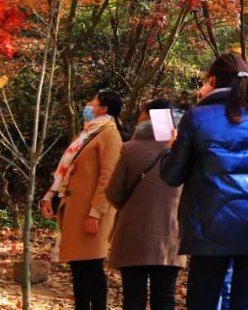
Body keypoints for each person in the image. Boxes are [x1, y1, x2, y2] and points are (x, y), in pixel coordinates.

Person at [160, 53, 248, 310]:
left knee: (202, 302)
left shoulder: (196, 118)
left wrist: (172, 149)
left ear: (213, 80)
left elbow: (172, 176)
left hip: (210, 225)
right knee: (246, 303)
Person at [40, 90, 124, 310]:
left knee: (92, 268)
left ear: (103, 108)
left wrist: (95, 212)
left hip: (92, 212)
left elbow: (108, 177)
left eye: (92, 102)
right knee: (78, 268)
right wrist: (51, 195)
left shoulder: (110, 135)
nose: (87, 105)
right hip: (75, 209)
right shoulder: (87, 133)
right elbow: (66, 170)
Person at [106, 98, 185, 310]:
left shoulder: (130, 149)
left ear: (148, 117)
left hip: (134, 234)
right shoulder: (183, 153)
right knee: (165, 298)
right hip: (170, 235)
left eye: (142, 113)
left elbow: (113, 192)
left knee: (133, 298)